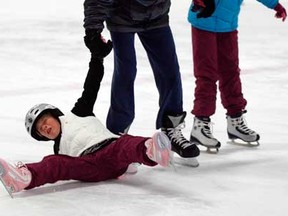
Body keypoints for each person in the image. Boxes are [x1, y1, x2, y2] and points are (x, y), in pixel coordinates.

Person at [0, 38, 173, 198]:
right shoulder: (58, 150)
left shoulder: (79, 112)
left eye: (45, 121)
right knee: (54, 163)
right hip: (89, 167)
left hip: (111, 151)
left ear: (54, 114)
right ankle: (24, 178)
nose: (44, 127)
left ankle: (151, 150)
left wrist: (97, 57)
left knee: (125, 143)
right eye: (40, 130)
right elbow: (61, 169)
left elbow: (92, 84)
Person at [83, 0, 200, 159]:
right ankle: (117, 132)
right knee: (126, 72)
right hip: (121, 16)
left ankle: (171, 127)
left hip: (157, 16)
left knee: (169, 71)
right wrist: (93, 30)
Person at [188, 0, 287, 151]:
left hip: (228, 25)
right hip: (204, 21)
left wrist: (275, 5)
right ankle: (200, 124)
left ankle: (235, 121)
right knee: (206, 74)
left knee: (231, 72)